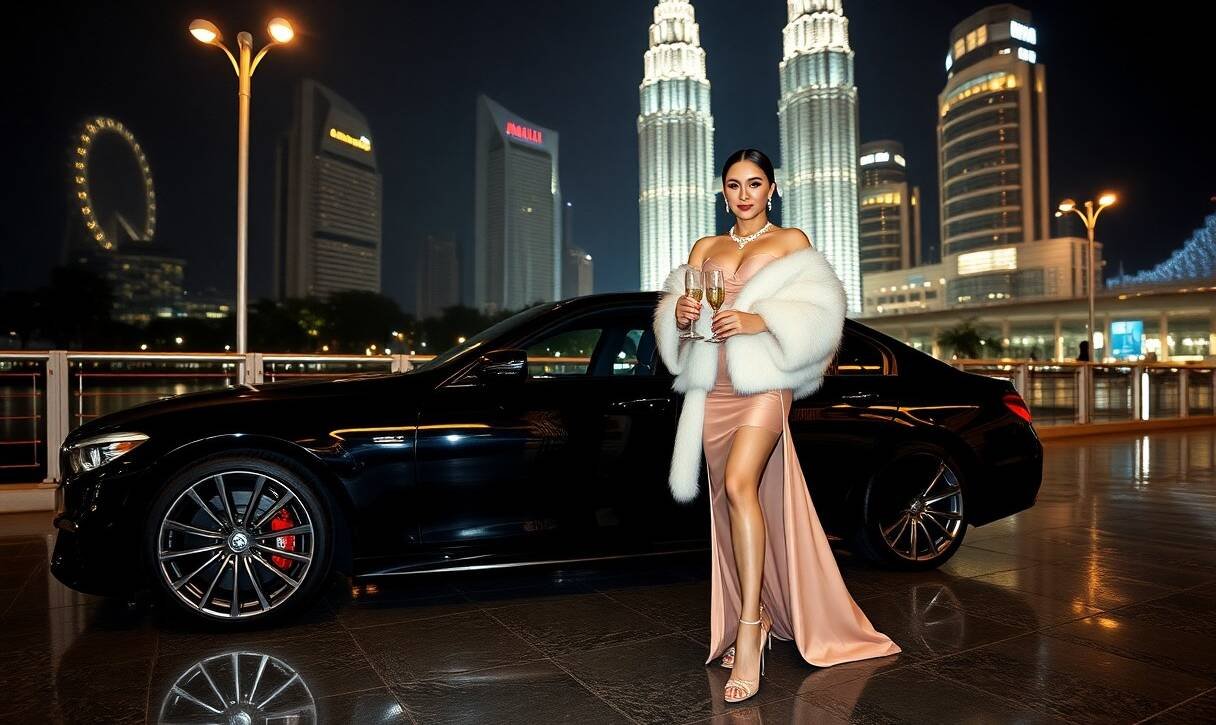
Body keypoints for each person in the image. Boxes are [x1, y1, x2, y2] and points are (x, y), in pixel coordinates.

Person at [653, 148, 901, 704]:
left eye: (755, 183)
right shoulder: (704, 248)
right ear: (723, 193)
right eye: (734, 185)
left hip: (765, 383)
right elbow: (685, 327)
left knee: (740, 484)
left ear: (773, 188)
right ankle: (759, 612)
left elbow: (823, 316)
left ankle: (748, 632)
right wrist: (680, 318)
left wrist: (758, 319)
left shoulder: (792, 242)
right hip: (712, 387)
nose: (744, 194)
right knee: (728, 501)